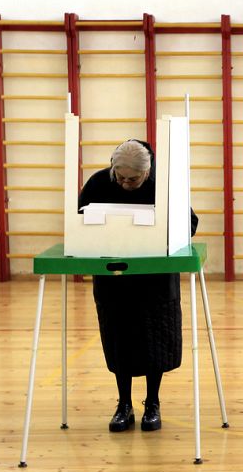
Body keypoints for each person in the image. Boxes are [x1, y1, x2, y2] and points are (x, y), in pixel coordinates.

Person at [78, 139, 198, 432]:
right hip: (114, 279)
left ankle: (152, 403)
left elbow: (189, 224)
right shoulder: (98, 183)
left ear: (147, 172)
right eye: (120, 177)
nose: (126, 183)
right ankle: (123, 404)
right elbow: (79, 220)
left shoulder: (164, 186)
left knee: (155, 341)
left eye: (133, 179)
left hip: (154, 280)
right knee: (119, 340)